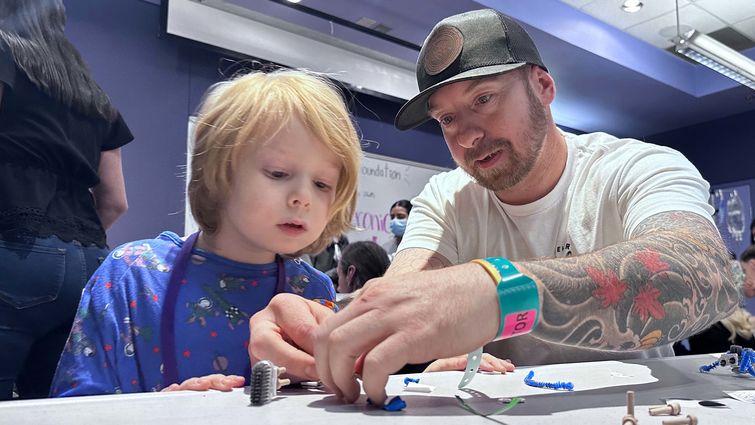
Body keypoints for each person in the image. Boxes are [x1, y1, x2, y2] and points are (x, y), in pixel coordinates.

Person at [249, 9, 739, 405]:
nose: (466, 134)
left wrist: (497, 292)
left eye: (483, 99)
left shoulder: (637, 168)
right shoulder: (446, 198)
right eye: (446, 119)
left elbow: (705, 275)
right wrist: (316, 329)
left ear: (543, 88)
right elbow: (401, 294)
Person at [49, 68, 362, 397]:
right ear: (218, 172)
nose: (303, 197)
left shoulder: (312, 289)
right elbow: (73, 403)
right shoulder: (132, 275)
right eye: (278, 173)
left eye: (322, 184)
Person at [0, 0, 133, 400]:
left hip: (15, 249)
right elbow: (115, 201)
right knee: (50, 405)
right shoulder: (92, 94)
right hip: (90, 264)